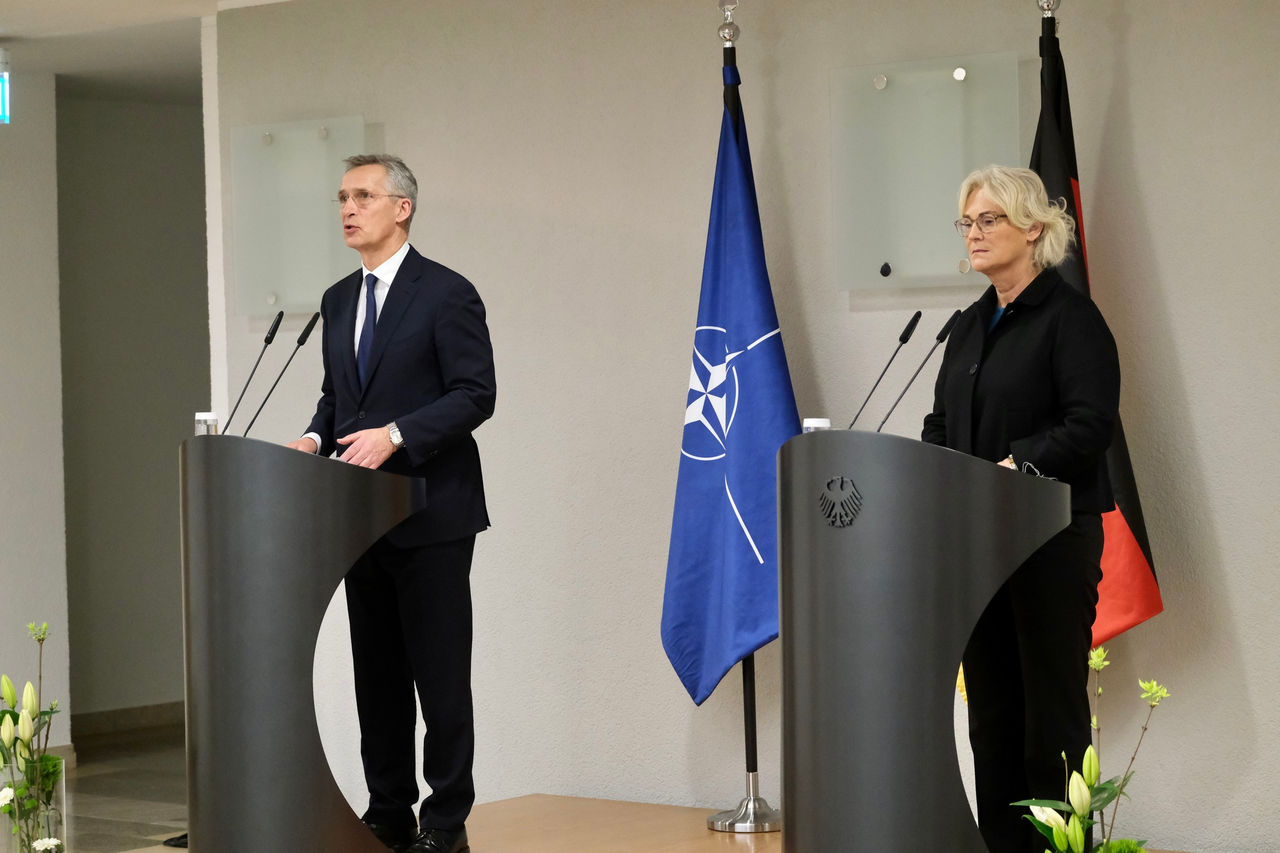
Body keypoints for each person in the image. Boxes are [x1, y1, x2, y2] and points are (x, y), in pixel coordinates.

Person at [286, 153, 496, 853]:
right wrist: (317, 436)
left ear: (401, 207)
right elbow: (336, 396)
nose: (348, 208)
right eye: (342, 196)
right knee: (376, 675)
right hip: (359, 517)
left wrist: (397, 435)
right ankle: (388, 810)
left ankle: (445, 820)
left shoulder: (447, 293)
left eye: (364, 196)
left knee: (439, 675)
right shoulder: (339, 297)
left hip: (432, 513)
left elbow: (475, 393)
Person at [922, 165, 1119, 853]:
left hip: (1050, 541)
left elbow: (1091, 423)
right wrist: (933, 471)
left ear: (1034, 227)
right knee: (994, 716)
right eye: (967, 223)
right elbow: (941, 424)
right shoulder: (970, 326)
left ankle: (1063, 849)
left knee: (1051, 716)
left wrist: (1017, 464)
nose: (973, 234)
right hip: (980, 545)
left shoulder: (1071, 319)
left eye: (989, 220)